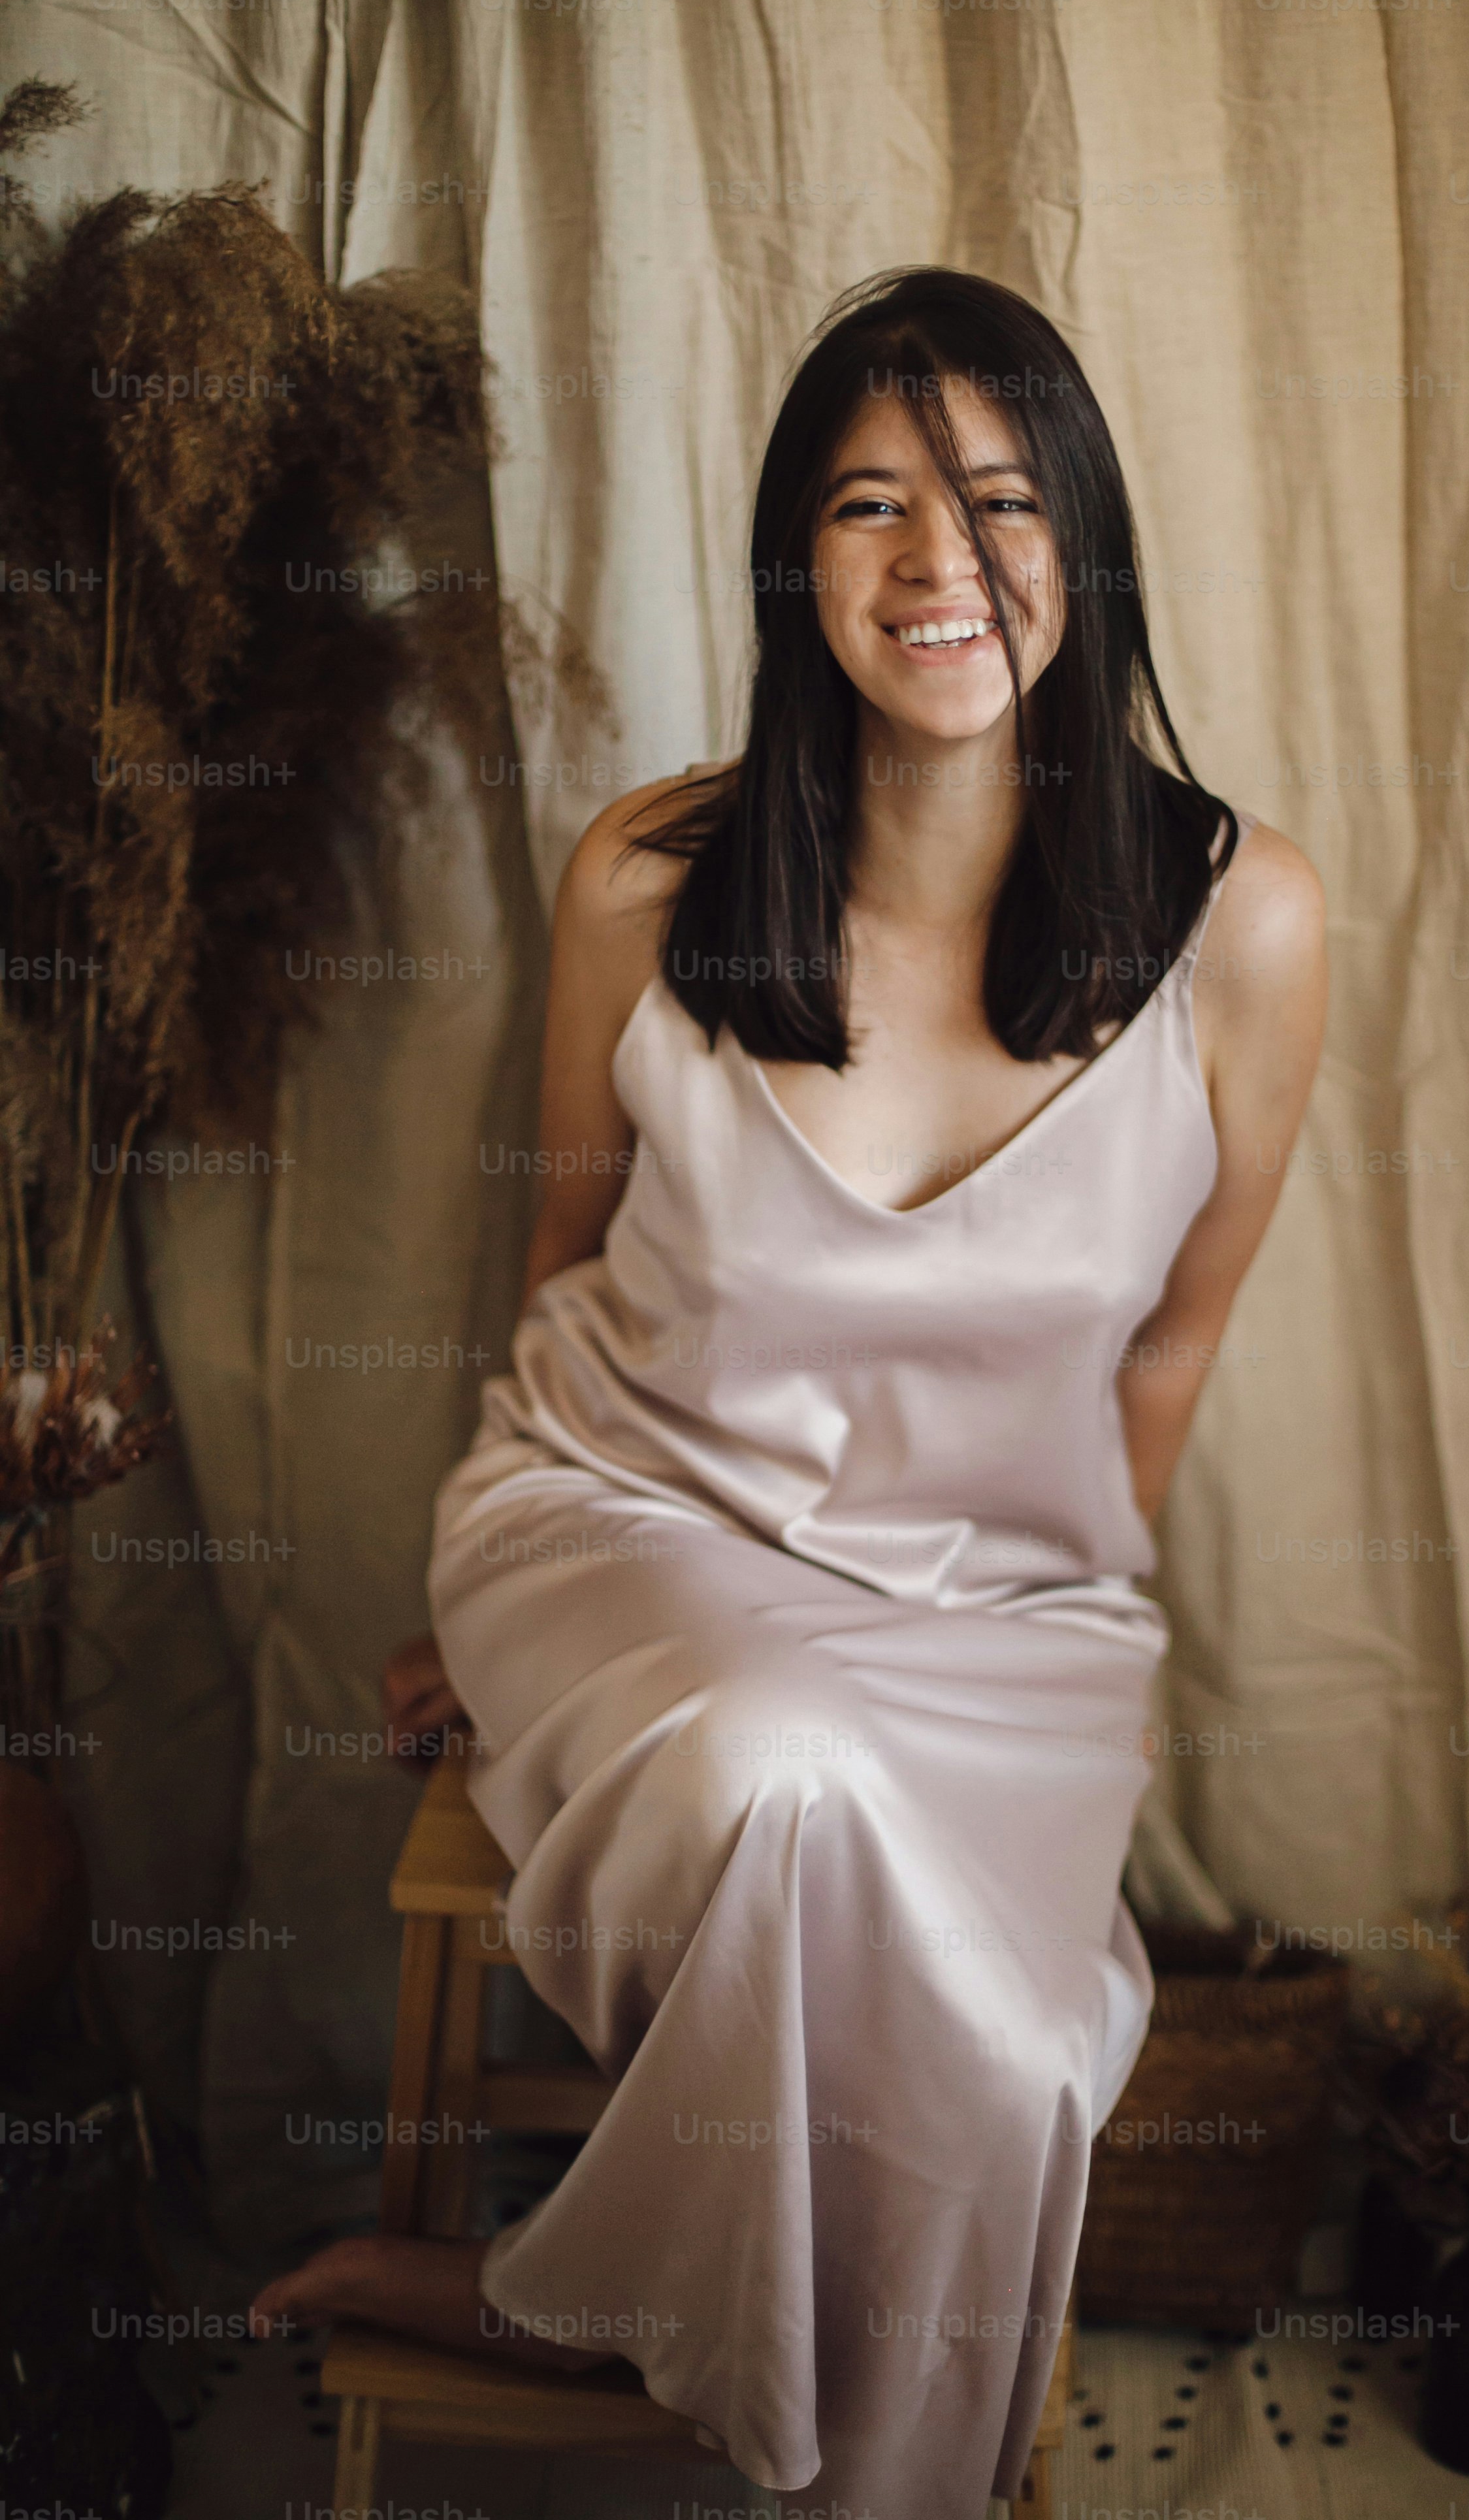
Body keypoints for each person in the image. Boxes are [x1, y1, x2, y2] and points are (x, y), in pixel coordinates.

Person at [254, 266, 1326, 2519]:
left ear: (1087, 547)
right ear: (792, 563)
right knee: (784, 1765)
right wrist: (506, 1633)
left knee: (1012, 2045)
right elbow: (553, 1266)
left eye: (1001, 502)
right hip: (629, 1532)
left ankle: (596, 2290)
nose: (939, 564)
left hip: (1004, 1610)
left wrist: (1063, 1640)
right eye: (869, 507)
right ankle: (642, 2320)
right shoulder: (650, 883)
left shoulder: (1245, 927)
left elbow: (1177, 1344)